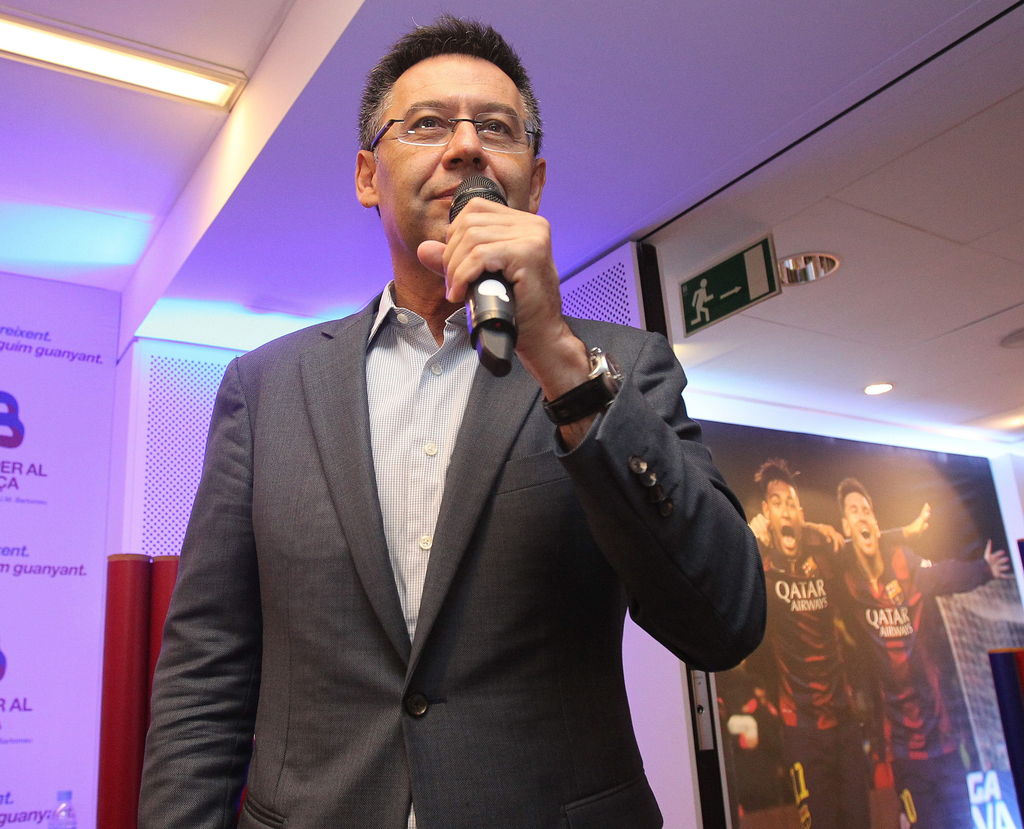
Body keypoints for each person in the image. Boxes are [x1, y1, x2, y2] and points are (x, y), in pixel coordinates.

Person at [137, 16, 765, 829]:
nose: (466, 145)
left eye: (496, 128)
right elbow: (205, 673)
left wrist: (562, 366)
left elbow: (724, 621)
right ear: (368, 175)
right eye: (428, 123)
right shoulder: (265, 389)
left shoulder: (620, 366)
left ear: (534, 184)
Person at [836, 477, 1012, 829]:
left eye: (867, 510)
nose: (863, 516)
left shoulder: (903, 562)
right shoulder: (847, 579)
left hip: (944, 743)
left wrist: (983, 569)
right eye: (854, 511)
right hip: (903, 752)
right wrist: (903, 529)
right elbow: (831, 546)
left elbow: (944, 574)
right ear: (845, 526)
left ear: (876, 521)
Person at [746, 459, 870, 829]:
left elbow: (869, 542)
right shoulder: (760, 563)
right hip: (800, 729)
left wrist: (816, 527)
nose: (785, 510)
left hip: (844, 722)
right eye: (776, 503)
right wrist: (750, 538)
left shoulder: (823, 552)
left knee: (860, 822)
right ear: (766, 513)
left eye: (792, 503)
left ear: (801, 513)